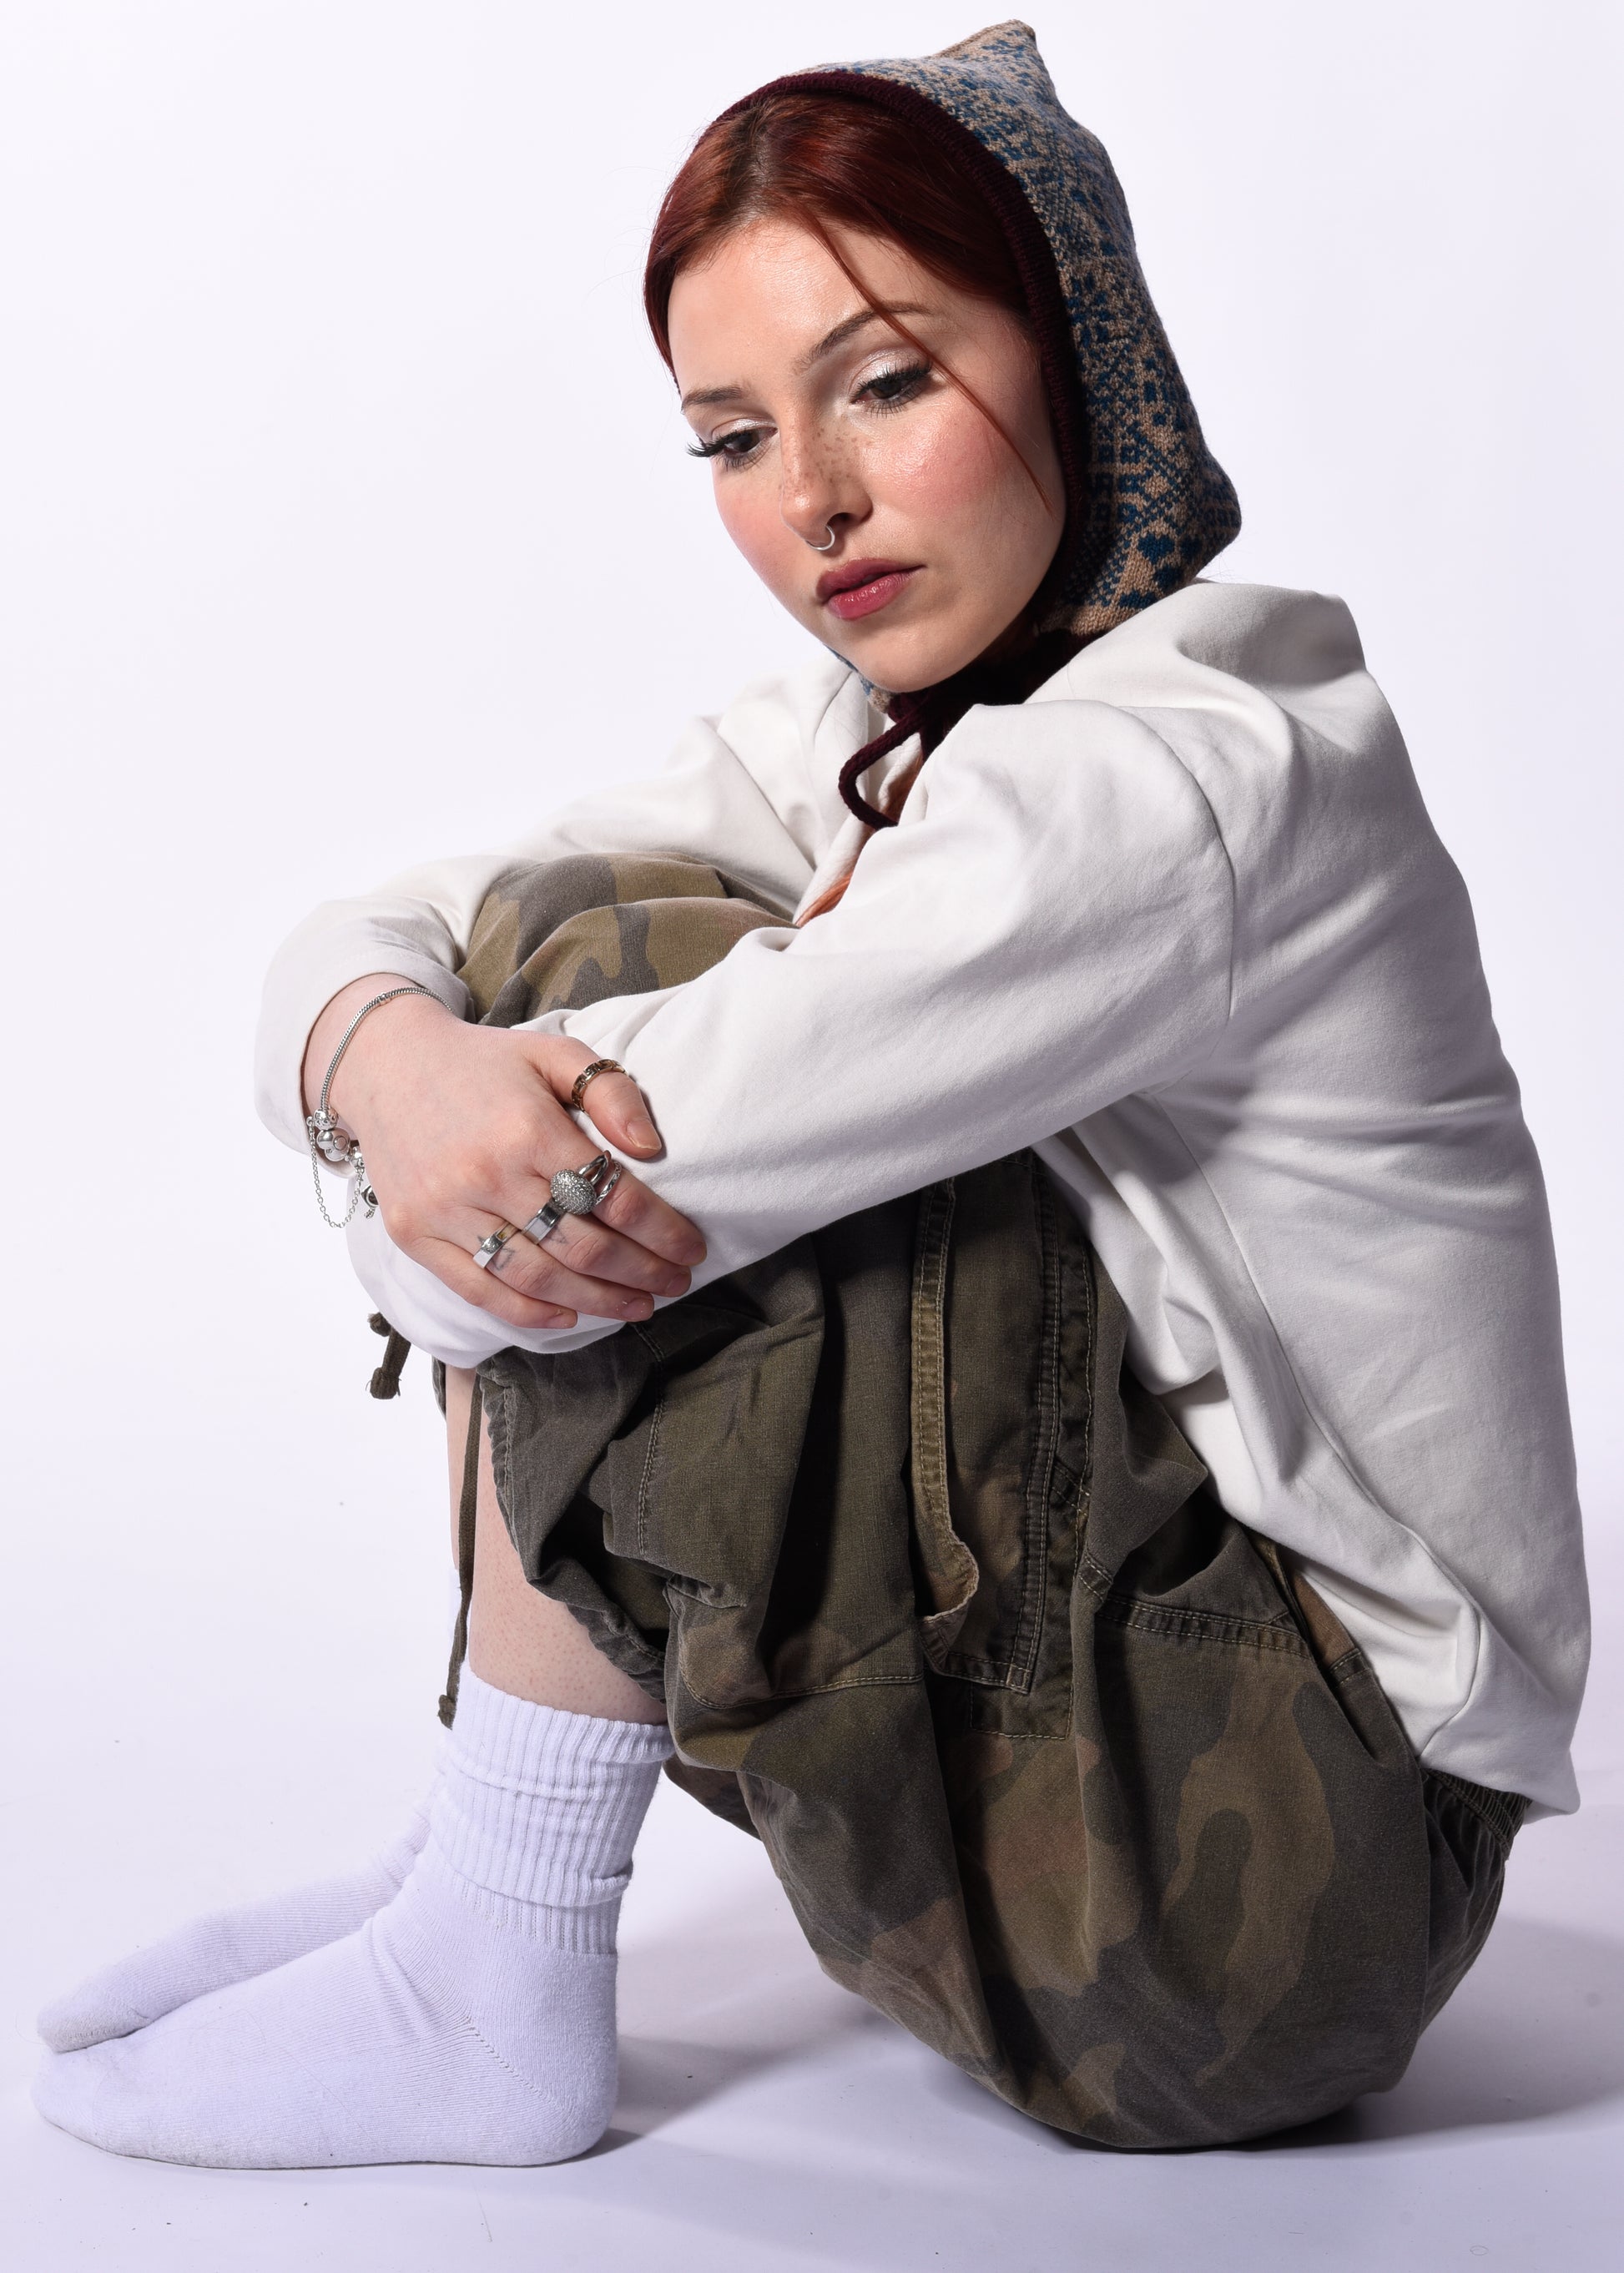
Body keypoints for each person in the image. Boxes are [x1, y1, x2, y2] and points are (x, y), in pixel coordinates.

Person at [33, 23, 1587, 2165]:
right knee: (577, 941)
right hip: (1160, 1801)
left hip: (1284, 1901)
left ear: (1077, 353)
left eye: (886, 382)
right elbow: (407, 929)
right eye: (734, 437)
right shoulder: (901, 725)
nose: (812, 499)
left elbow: (552, 1196)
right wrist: (381, 1053)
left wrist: (437, 1194)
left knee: (620, 1022)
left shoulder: (1187, 772)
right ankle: (472, 1877)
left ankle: (493, 1954)